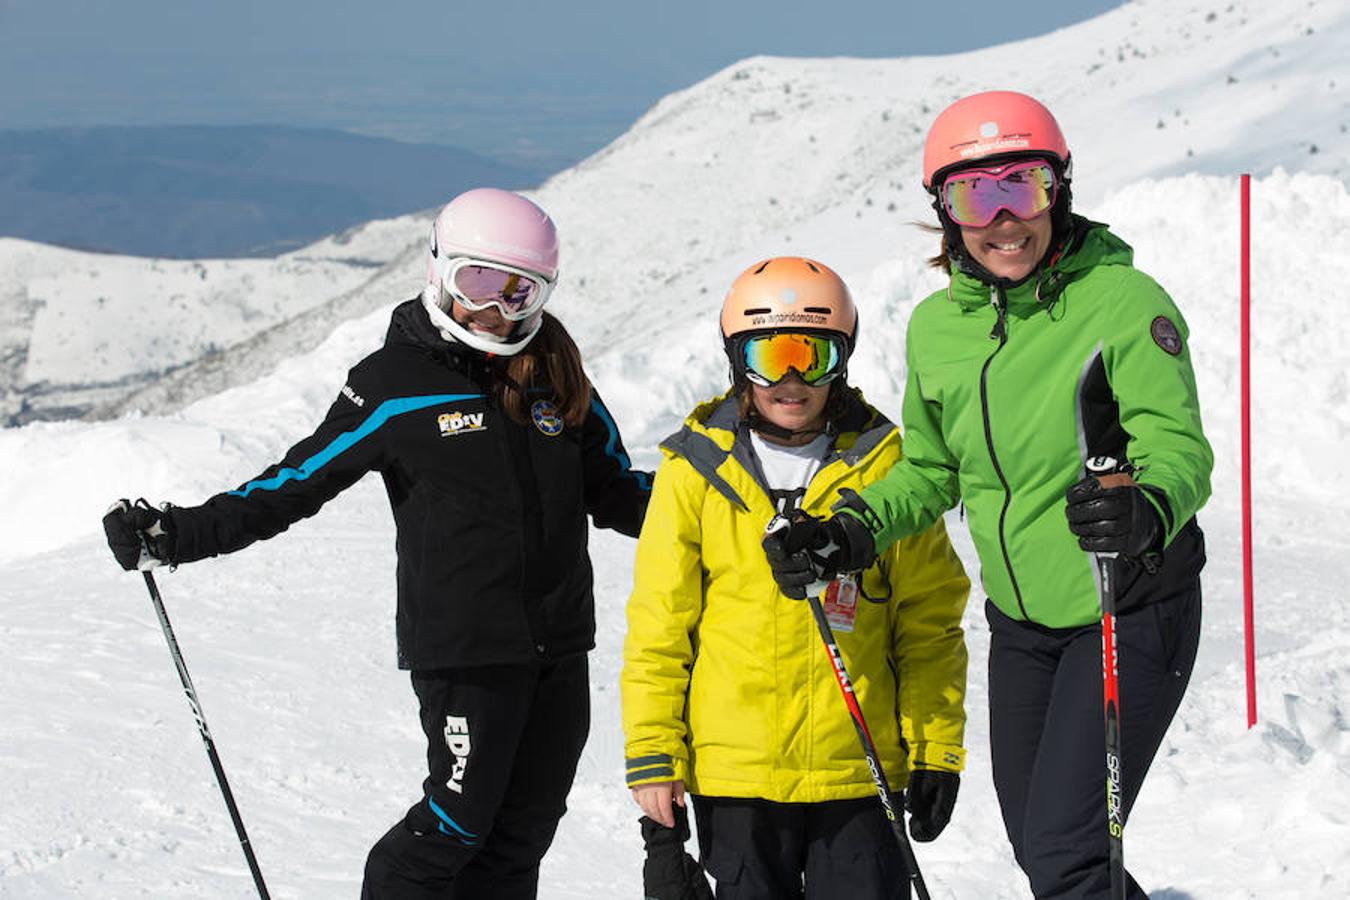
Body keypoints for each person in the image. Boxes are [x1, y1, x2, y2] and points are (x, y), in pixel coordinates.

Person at [102, 187, 651, 900]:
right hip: (466, 651)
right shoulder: (393, 385)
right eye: (477, 281)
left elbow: (614, 491)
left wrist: (720, 513)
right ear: (439, 271)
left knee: (523, 832)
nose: (497, 307)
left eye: (522, 290)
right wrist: (176, 534)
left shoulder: (557, 375)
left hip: (559, 646)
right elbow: (291, 484)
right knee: (455, 824)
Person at [764, 92, 1212, 899]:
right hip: (1024, 624)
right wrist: (848, 531)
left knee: (1067, 855)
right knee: (1040, 842)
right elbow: (932, 471)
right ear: (944, 210)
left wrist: (1145, 507)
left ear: (1059, 190)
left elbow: (1178, 448)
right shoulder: (937, 328)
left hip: (1125, 606)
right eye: (977, 195)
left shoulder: (1122, 304)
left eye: (1025, 186)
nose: (1006, 219)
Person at [622, 256, 971, 900]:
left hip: (858, 770)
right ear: (736, 360)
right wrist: (653, 756)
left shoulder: (892, 470)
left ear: (843, 359)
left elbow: (928, 623)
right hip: (736, 774)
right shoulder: (694, 468)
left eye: (810, 356)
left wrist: (934, 747)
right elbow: (660, 626)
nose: (789, 379)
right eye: (768, 354)